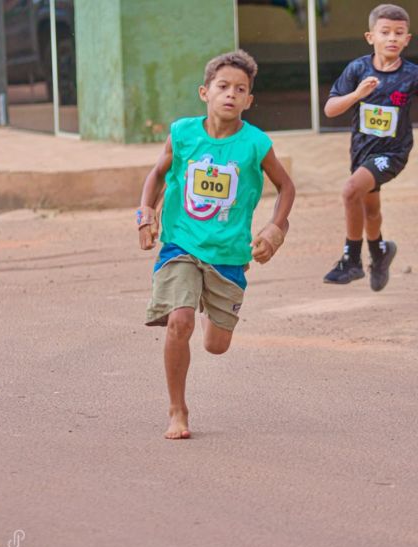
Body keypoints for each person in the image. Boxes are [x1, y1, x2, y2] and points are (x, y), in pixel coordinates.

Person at [138, 50, 296, 440]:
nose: (231, 94)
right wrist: (146, 213)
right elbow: (157, 175)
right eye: (223, 87)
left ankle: (212, 304)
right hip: (181, 244)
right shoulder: (183, 134)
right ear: (204, 92)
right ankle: (178, 409)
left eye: (240, 90)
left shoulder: (255, 143)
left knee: (216, 345)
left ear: (249, 100)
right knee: (180, 320)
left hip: (228, 254)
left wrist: (275, 229)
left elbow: (286, 187)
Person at [322, 3, 415, 291]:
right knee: (370, 210)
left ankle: (352, 259)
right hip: (362, 152)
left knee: (351, 190)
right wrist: (357, 94)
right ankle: (380, 251)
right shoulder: (358, 69)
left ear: (407, 39)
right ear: (370, 37)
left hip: (392, 154)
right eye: (385, 32)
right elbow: (330, 109)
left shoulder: (411, 75)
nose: (392, 38)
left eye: (399, 33)